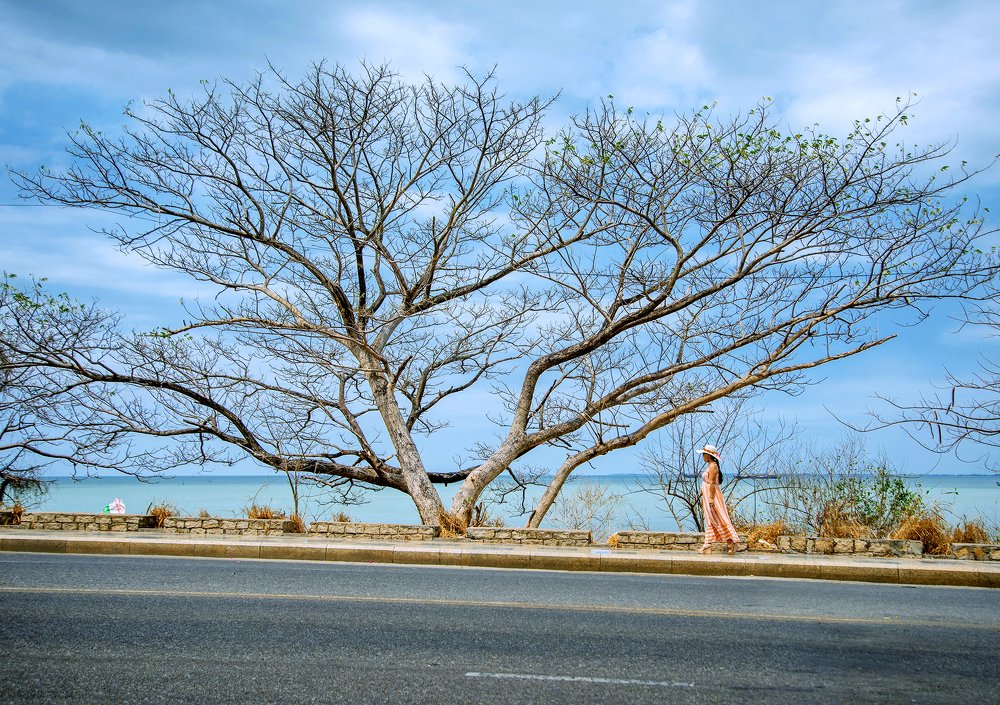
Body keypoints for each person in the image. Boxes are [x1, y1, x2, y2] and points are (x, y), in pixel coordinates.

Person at [698, 444, 739, 555]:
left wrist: (711, 498)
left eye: (704, 454)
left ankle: (731, 542)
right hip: (707, 495)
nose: (703, 456)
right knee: (710, 518)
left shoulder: (713, 466)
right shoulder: (711, 465)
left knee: (718, 517)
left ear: (708, 455)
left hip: (712, 495)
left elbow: (711, 482)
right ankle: (708, 544)